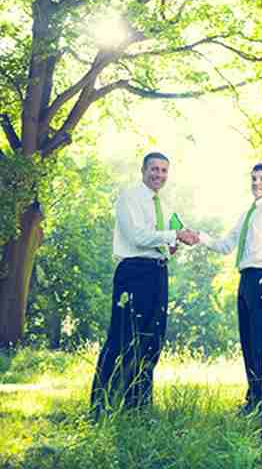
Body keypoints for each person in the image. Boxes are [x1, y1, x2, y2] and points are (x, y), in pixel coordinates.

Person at [91, 152, 199, 417]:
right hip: (134, 272)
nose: (159, 175)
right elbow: (137, 236)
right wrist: (173, 235)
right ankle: (101, 403)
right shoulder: (130, 197)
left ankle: (137, 405)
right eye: (154, 169)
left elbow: (172, 233)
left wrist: (177, 241)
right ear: (143, 170)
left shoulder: (164, 204)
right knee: (121, 337)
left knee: (151, 340)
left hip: (158, 273)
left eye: (163, 171)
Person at [198, 163, 262, 415]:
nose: (256, 183)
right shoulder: (247, 213)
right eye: (253, 178)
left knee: (260, 341)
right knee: (248, 340)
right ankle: (254, 397)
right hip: (245, 278)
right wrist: (200, 237)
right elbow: (226, 245)